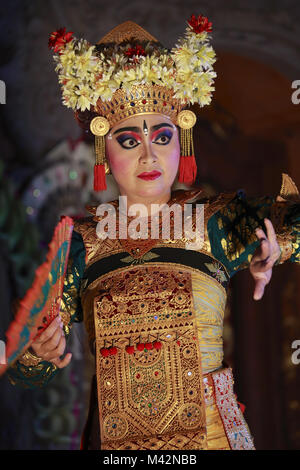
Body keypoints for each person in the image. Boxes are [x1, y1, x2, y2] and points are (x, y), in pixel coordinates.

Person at [6, 16, 300, 450]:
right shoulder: (80, 245)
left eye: (162, 136)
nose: (149, 154)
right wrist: (39, 352)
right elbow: (24, 368)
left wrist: (277, 248)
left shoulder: (214, 225)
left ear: (180, 142)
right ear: (103, 148)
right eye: (129, 141)